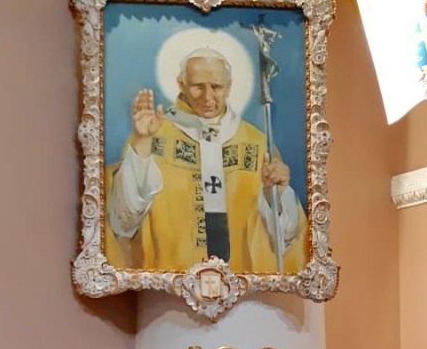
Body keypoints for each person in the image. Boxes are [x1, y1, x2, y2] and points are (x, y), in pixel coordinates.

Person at [106, 47, 308, 274]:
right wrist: (142, 144)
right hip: (172, 279)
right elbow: (124, 222)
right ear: (181, 84)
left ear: (229, 87)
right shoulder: (154, 135)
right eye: (198, 86)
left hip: (242, 281)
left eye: (216, 87)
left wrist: (277, 196)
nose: (207, 97)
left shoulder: (257, 143)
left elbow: (286, 238)